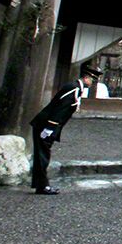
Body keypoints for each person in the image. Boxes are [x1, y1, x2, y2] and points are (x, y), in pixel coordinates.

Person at [28, 64, 100, 195]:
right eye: (93, 80)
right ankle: (42, 186)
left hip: (48, 124)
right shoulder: (74, 88)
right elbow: (60, 109)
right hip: (46, 125)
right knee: (43, 156)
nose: (93, 83)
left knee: (42, 155)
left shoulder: (76, 88)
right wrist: (50, 127)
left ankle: (40, 184)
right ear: (86, 78)